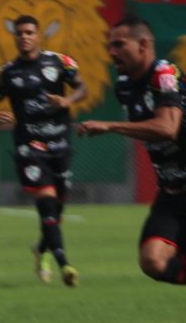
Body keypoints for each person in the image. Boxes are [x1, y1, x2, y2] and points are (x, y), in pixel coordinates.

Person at [79, 17, 186, 285]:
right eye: (110, 46)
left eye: (119, 44)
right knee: (152, 260)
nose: (112, 52)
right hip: (171, 191)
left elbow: (168, 127)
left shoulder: (164, 74)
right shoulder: (124, 87)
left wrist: (111, 126)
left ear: (144, 44)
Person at [0, 15, 87, 287]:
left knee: (57, 209)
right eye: (19, 33)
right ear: (15, 37)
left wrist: (67, 100)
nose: (24, 37)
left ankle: (41, 250)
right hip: (29, 146)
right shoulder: (7, 72)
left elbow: (82, 88)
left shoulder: (59, 62)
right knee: (46, 203)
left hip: (60, 143)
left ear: (39, 35)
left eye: (29, 32)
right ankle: (65, 264)